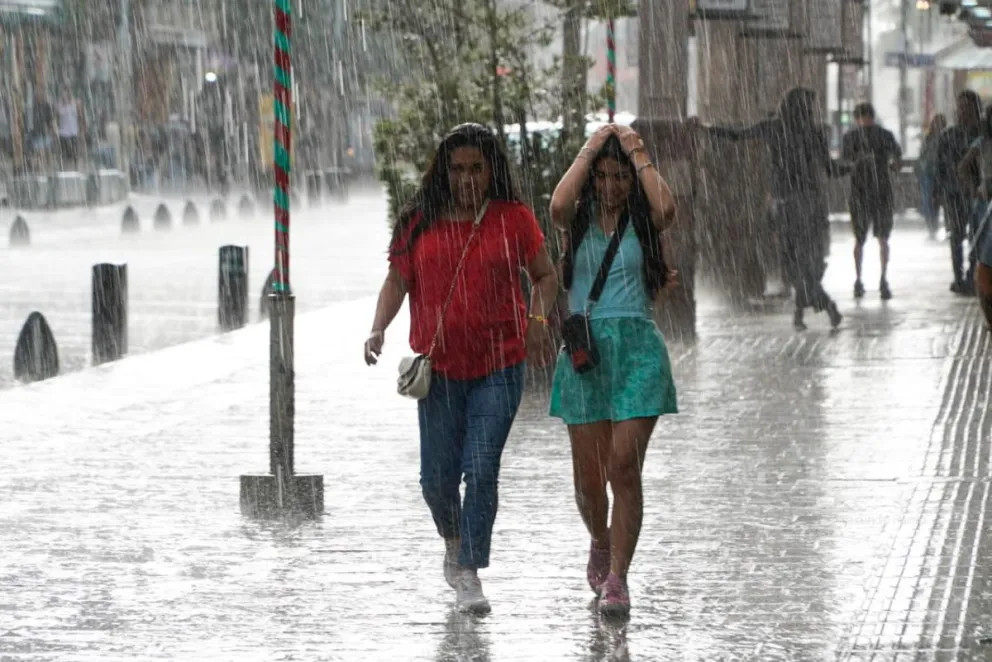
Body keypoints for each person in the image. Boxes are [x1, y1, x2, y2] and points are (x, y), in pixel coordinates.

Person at [364, 123, 558, 614]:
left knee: (482, 466)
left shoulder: (512, 219)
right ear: (443, 172)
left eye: (477, 168)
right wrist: (377, 328)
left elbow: (545, 275)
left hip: (500, 364)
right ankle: (453, 540)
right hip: (441, 371)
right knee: (436, 480)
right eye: (458, 169)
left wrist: (536, 320)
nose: (468, 178)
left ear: (491, 170)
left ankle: (469, 569)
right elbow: (396, 280)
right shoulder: (418, 222)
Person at [548, 123, 678, 617]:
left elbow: (666, 209)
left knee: (623, 465)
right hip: (586, 356)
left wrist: (636, 150)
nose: (608, 186)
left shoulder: (644, 223)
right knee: (587, 482)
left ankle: (618, 577)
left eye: (618, 177)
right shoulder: (576, 221)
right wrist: (592, 147)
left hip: (637, 352)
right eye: (600, 177)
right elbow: (558, 205)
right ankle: (600, 540)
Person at [700, 87, 848, 331]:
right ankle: (809, 310)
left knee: (792, 261)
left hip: (786, 203)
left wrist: (707, 129)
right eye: (811, 105)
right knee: (804, 260)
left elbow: (738, 135)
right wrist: (853, 166)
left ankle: (818, 308)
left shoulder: (774, 127)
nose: (814, 110)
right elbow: (831, 170)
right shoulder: (815, 132)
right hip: (810, 203)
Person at [841, 102, 903, 301]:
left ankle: (858, 280)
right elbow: (897, 160)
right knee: (883, 238)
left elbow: (844, 162)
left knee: (859, 239)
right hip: (881, 192)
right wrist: (891, 165)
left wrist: (857, 163)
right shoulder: (885, 135)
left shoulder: (850, 137)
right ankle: (883, 280)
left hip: (860, 192)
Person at [935, 90, 983, 296]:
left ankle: (972, 275)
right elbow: (939, 166)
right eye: (960, 106)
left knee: (977, 237)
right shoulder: (948, 135)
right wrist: (937, 192)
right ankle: (958, 277)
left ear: (976, 109)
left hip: (977, 196)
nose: (962, 111)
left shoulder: (983, 134)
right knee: (956, 237)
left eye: (967, 107)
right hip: (953, 194)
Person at [957, 107, 992, 330]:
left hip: (986, 199)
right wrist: (975, 187)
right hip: (985, 201)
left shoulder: (982, 143)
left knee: (985, 259)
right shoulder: (981, 143)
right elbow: (963, 167)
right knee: (984, 257)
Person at [917, 114, 948, 239]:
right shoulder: (929, 138)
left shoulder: (946, 137)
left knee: (938, 200)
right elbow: (923, 155)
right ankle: (932, 225)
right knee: (930, 201)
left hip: (940, 173)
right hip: (929, 173)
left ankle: (942, 226)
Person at [57, 88, 83, 170]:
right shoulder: (59, 106)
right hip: (63, 133)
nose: (64, 96)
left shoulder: (75, 103)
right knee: (65, 153)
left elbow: (80, 117)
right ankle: (65, 168)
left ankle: (75, 168)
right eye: (63, 94)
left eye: (66, 94)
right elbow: (57, 117)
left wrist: (81, 129)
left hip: (73, 132)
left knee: (74, 152)